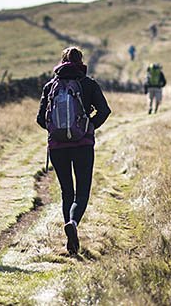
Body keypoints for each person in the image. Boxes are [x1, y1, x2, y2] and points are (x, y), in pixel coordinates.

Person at [37, 46, 111, 255]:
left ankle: (71, 241)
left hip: (57, 148)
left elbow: (40, 119)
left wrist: (56, 131)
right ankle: (73, 224)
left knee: (66, 191)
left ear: (61, 62)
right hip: (83, 146)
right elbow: (105, 110)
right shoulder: (88, 84)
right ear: (81, 62)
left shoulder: (50, 86)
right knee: (82, 191)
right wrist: (88, 127)